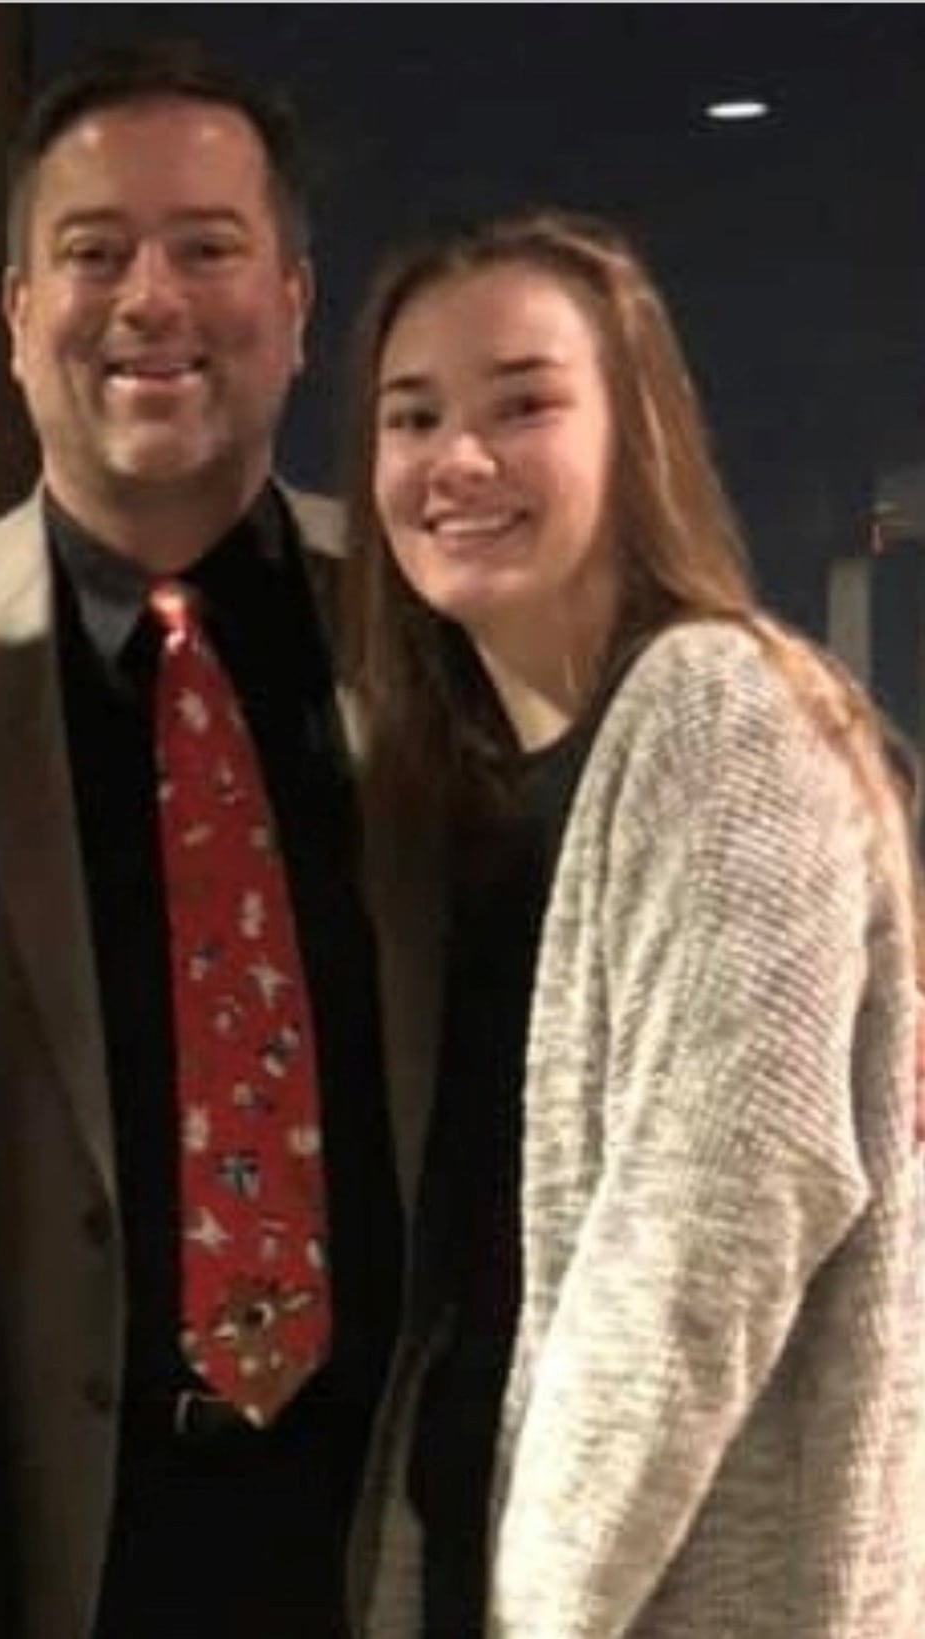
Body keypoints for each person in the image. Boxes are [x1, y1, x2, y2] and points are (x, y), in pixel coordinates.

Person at [0, 39, 436, 1639]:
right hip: (25, 1555)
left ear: (299, 301)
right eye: (93, 251)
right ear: (11, 312)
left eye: (207, 247)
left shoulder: (431, 640)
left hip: (392, 1537)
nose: (149, 299)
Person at [339, 207, 925, 1636]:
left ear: (637, 434)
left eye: (523, 402)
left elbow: (710, 1223)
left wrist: (546, 1609)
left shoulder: (716, 714)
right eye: (413, 416)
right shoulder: (486, 779)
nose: (457, 458)